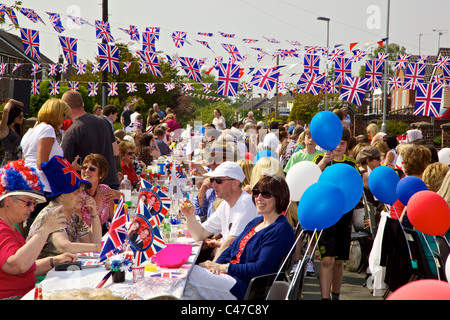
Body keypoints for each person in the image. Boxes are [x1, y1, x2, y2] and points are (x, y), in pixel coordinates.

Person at [183, 175, 296, 300]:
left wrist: (223, 267)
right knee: (190, 292)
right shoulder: (257, 221)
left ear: (280, 198)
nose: (259, 198)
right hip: (231, 277)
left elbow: (261, 268)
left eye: (266, 194)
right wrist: (216, 266)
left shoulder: (280, 229)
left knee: (190, 274)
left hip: (244, 287)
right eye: (256, 192)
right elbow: (231, 248)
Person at [0, 160, 77, 300]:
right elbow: (16, 266)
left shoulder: (11, 227)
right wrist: (45, 229)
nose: (31, 208)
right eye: (28, 202)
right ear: (8, 201)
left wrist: (53, 261)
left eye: (34, 204)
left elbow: (26, 267)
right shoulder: (1, 229)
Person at [180, 161, 260, 263]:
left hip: (234, 268)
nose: (213, 185)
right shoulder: (225, 205)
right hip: (225, 263)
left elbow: (230, 243)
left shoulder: (246, 202)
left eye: (218, 181)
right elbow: (199, 234)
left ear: (235, 183)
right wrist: (190, 216)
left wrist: (212, 267)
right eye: (213, 180)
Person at [312, 128, 359, 300]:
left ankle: (335, 295)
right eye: (336, 143)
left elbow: (355, 188)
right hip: (324, 216)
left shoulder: (351, 164)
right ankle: (325, 297)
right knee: (326, 260)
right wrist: (323, 163)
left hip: (344, 217)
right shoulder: (320, 159)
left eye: (343, 143)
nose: (338, 146)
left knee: (339, 262)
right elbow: (311, 179)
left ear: (347, 145)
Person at [27, 155, 102, 258]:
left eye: (82, 191)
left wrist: (94, 214)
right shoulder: (52, 214)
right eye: (77, 191)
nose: (82, 195)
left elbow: (93, 242)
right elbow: (64, 247)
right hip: (45, 273)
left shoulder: (73, 216)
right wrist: (99, 248)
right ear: (61, 196)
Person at [60, 91, 119, 190]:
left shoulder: (72, 130)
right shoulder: (105, 122)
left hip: (90, 187)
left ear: (66, 108)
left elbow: (62, 163)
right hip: (111, 182)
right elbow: (116, 151)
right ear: (82, 104)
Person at [21, 98, 73, 194]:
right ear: (56, 114)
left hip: (28, 183)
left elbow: (25, 161)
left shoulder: (29, 132)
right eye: (63, 115)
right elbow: (42, 164)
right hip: (43, 186)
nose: (64, 119)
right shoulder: (47, 129)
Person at [80, 154, 121, 231]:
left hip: (102, 237)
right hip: (83, 239)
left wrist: (121, 196)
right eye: (84, 167)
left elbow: (114, 220)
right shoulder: (77, 192)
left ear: (101, 175)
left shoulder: (104, 190)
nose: (86, 171)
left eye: (92, 169)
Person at [0, 99, 24, 166]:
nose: (22, 118)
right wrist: (11, 102)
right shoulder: (4, 129)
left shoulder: (16, 128)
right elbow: (6, 111)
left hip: (16, 164)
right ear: (13, 116)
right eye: (20, 116)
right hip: (7, 164)